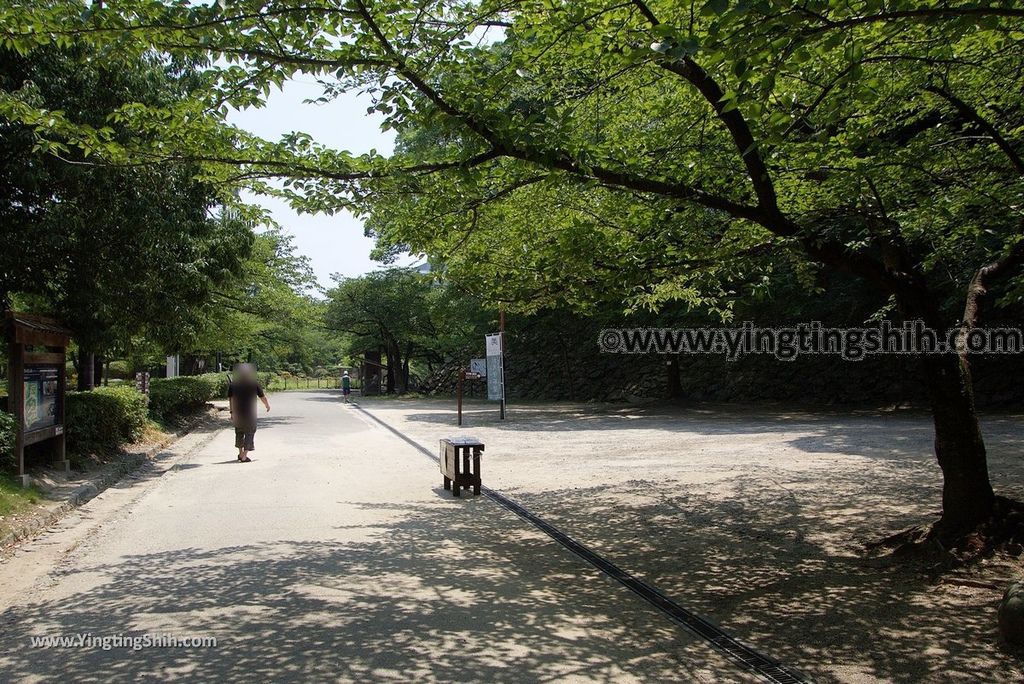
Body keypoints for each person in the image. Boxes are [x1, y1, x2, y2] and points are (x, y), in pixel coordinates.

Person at [228, 364, 270, 462]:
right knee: (250, 432)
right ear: (249, 373)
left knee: (239, 432)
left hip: (237, 413)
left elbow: (231, 399)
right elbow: (262, 397)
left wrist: (232, 412)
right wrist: (267, 405)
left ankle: (240, 452)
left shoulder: (233, 384)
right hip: (249, 413)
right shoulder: (254, 384)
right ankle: (244, 456)